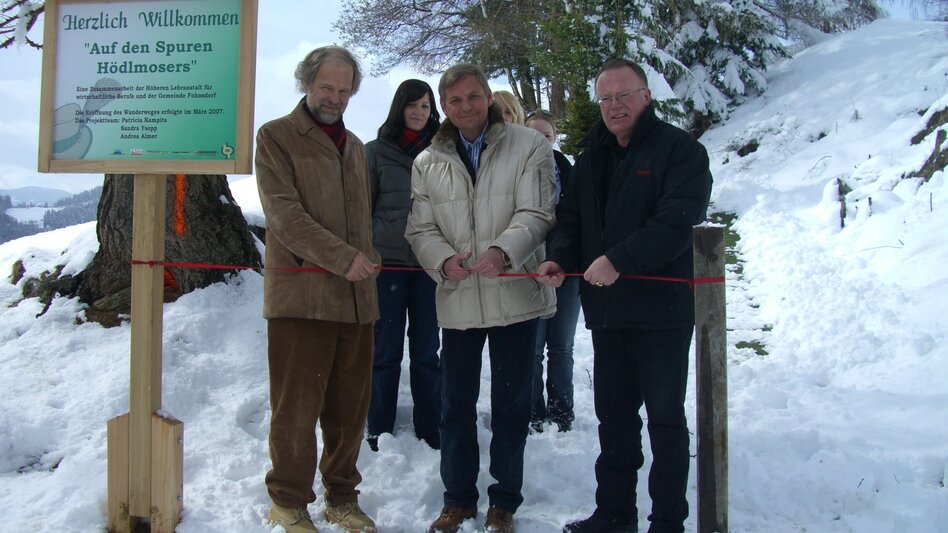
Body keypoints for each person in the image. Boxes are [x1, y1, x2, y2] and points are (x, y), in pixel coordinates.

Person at [537, 59, 713, 533]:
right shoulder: (592, 153)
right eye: (605, 98)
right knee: (614, 420)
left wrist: (620, 260)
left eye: (623, 95)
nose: (614, 106)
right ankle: (614, 513)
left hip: (662, 314)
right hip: (608, 314)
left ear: (646, 95)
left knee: (665, 421)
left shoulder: (680, 151)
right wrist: (560, 257)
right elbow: (570, 218)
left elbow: (678, 220)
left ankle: (667, 521)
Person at [406, 63, 557, 533]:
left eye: (473, 97)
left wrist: (502, 250)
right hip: (459, 298)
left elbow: (538, 211)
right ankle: (457, 499)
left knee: (512, 405)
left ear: (488, 97)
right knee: (456, 406)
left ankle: (504, 501)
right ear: (444, 107)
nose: (465, 107)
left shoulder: (528, 145)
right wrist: (442, 261)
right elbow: (420, 227)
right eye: (454, 101)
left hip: (514, 292)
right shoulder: (427, 161)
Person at [254, 45, 379, 533]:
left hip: (356, 301)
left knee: (349, 412)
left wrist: (369, 259)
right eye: (327, 86)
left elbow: (361, 222)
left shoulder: (355, 146)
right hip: (300, 300)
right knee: (296, 409)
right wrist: (344, 258)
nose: (335, 97)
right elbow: (284, 217)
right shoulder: (276, 137)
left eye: (345, 89)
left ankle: (342, 498)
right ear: (306, 82)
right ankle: (287, 501)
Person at [365, 79, 443, 452]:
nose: (419, 112)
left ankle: (431, 426)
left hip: (430, 266)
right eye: (412, 104)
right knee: (385, 352)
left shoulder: (446, 152)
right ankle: (378, 425)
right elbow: (363, 208)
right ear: (399, 107)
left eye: (426, 106)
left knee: (428, 351)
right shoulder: (375, 153)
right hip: (389, 265)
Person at [524, 109, 581, 434]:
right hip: (528, 269)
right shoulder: (517, 171)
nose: (541, 141)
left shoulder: (569, 172)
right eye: (534, 135)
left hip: (567, 269)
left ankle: (562, 411)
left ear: (554, 138)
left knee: (561, 346)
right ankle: (533, 410)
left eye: (546, 135)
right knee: (532, 349)